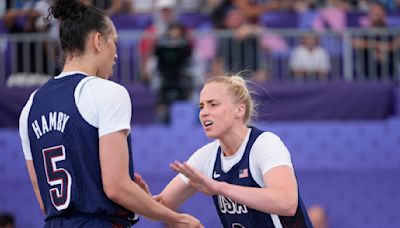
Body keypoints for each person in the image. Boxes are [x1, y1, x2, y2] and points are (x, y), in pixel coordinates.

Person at [18, 0, 203, 227]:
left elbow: (42, 195)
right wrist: (176, 218)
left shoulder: (30, 106)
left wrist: (139, 201)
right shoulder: (107, 92)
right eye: (114, 42)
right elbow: (116, 187)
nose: (116, 54)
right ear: (98, 41)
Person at [155, 75, 313, 227]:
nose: (203, 112)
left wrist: (219, 187)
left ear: (239, 110)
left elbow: (287, 203)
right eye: (201, 106)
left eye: (213, 104)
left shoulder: (265, 144)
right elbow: (162, 205)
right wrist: (141, 198)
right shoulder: (206, 156)